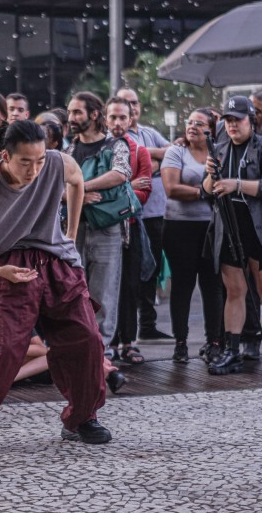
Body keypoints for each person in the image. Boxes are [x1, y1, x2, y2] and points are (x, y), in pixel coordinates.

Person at [0, 120, 108, 452]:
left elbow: (76, 183)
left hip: (57, 261)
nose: (34, 170)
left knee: (86, 338)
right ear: (5, 156)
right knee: (5, 348)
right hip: (11, 264)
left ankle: (82, 418)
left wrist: (70, 237)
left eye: (40, 160)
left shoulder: (58, 162)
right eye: (25, 162)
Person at [202, 95, 262, 377]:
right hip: (229, 227)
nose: (232, 125)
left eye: (237, 119)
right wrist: (209, 176)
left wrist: (236, 184)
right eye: (227, 120)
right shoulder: (220, 148)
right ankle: (232, 350)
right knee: (235, 292)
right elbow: (207, 191)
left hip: (261, 227)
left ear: (251, 119)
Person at [66, 92, 131, 349]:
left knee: (104, 291)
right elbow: (58, 188)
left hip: (107, 227)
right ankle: (80, 345)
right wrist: (76, 195)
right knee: (74, 290)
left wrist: (78, 188)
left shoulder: (115, 145)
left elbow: (120, 174)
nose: (71, 118)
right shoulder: (69, 149)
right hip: (74, 227)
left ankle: (100, 349)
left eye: (77, 112)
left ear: (94, 115)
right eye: (70, 112)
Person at [161, 109, 223, 363]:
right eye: (189, 122)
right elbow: (171, 188)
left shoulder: (219, 152)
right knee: (183, 286)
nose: (192, 127)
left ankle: (214, 342)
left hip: (211, 228)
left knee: (213, 286)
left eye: (200, 123)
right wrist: (204, 193)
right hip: (179, 227)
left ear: (212, 129)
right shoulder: (177, 152)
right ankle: (181, 343)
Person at [116, 87, 173, 342]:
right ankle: (125, 333)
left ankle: (148, 325)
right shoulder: (117, 138)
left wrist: (149, 160)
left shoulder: (149, 132)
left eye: (135, 102)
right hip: (132, 215)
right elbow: (133, 158)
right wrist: (153, 160)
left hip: (158, 213)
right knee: (133, 273)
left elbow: (172, 152)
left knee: (152, 269)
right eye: (127, 103)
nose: (133, 107)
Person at [104, 97, 152, 364]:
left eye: (123, 117)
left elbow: (142, 195)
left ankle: (129, 342)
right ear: (105, 118)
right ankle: (107, 341)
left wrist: (115, 191)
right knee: (105, 287)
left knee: (131, 286)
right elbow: (93, 187)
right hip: (102, 230)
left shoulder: (140, 152)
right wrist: (127, 186)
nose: (118, 123)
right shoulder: (99, 150)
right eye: (113, 117)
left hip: (131, 228)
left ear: (131, 118)